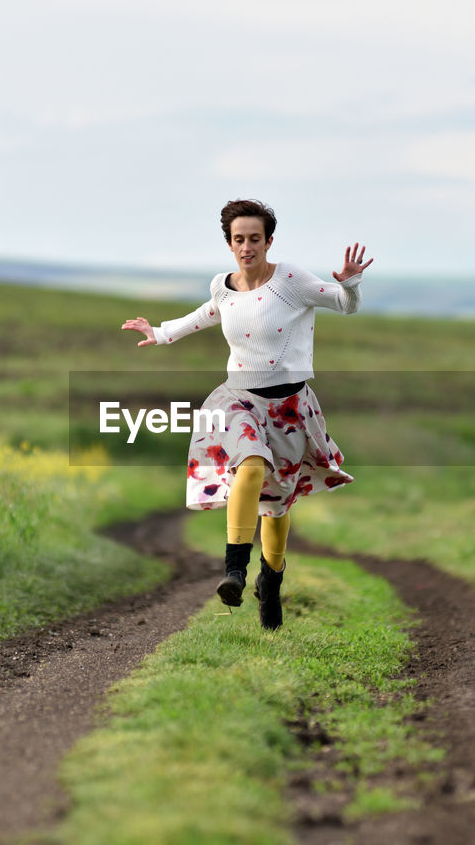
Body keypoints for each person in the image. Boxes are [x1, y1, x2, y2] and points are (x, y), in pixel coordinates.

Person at [121, 199, 371, 630]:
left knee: (275, 507)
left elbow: (344, 305)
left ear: (269, 240)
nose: (247, 246)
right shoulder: (222, 284)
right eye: (239, 239)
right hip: (237, 400)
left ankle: (270, 583)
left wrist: (350, 284)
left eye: (255, 238)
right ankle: (234, 570)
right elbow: (208, 313)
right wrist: (159, 333)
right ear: (230, 243)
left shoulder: (290, 280)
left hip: (289, 408)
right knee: (250, 465)